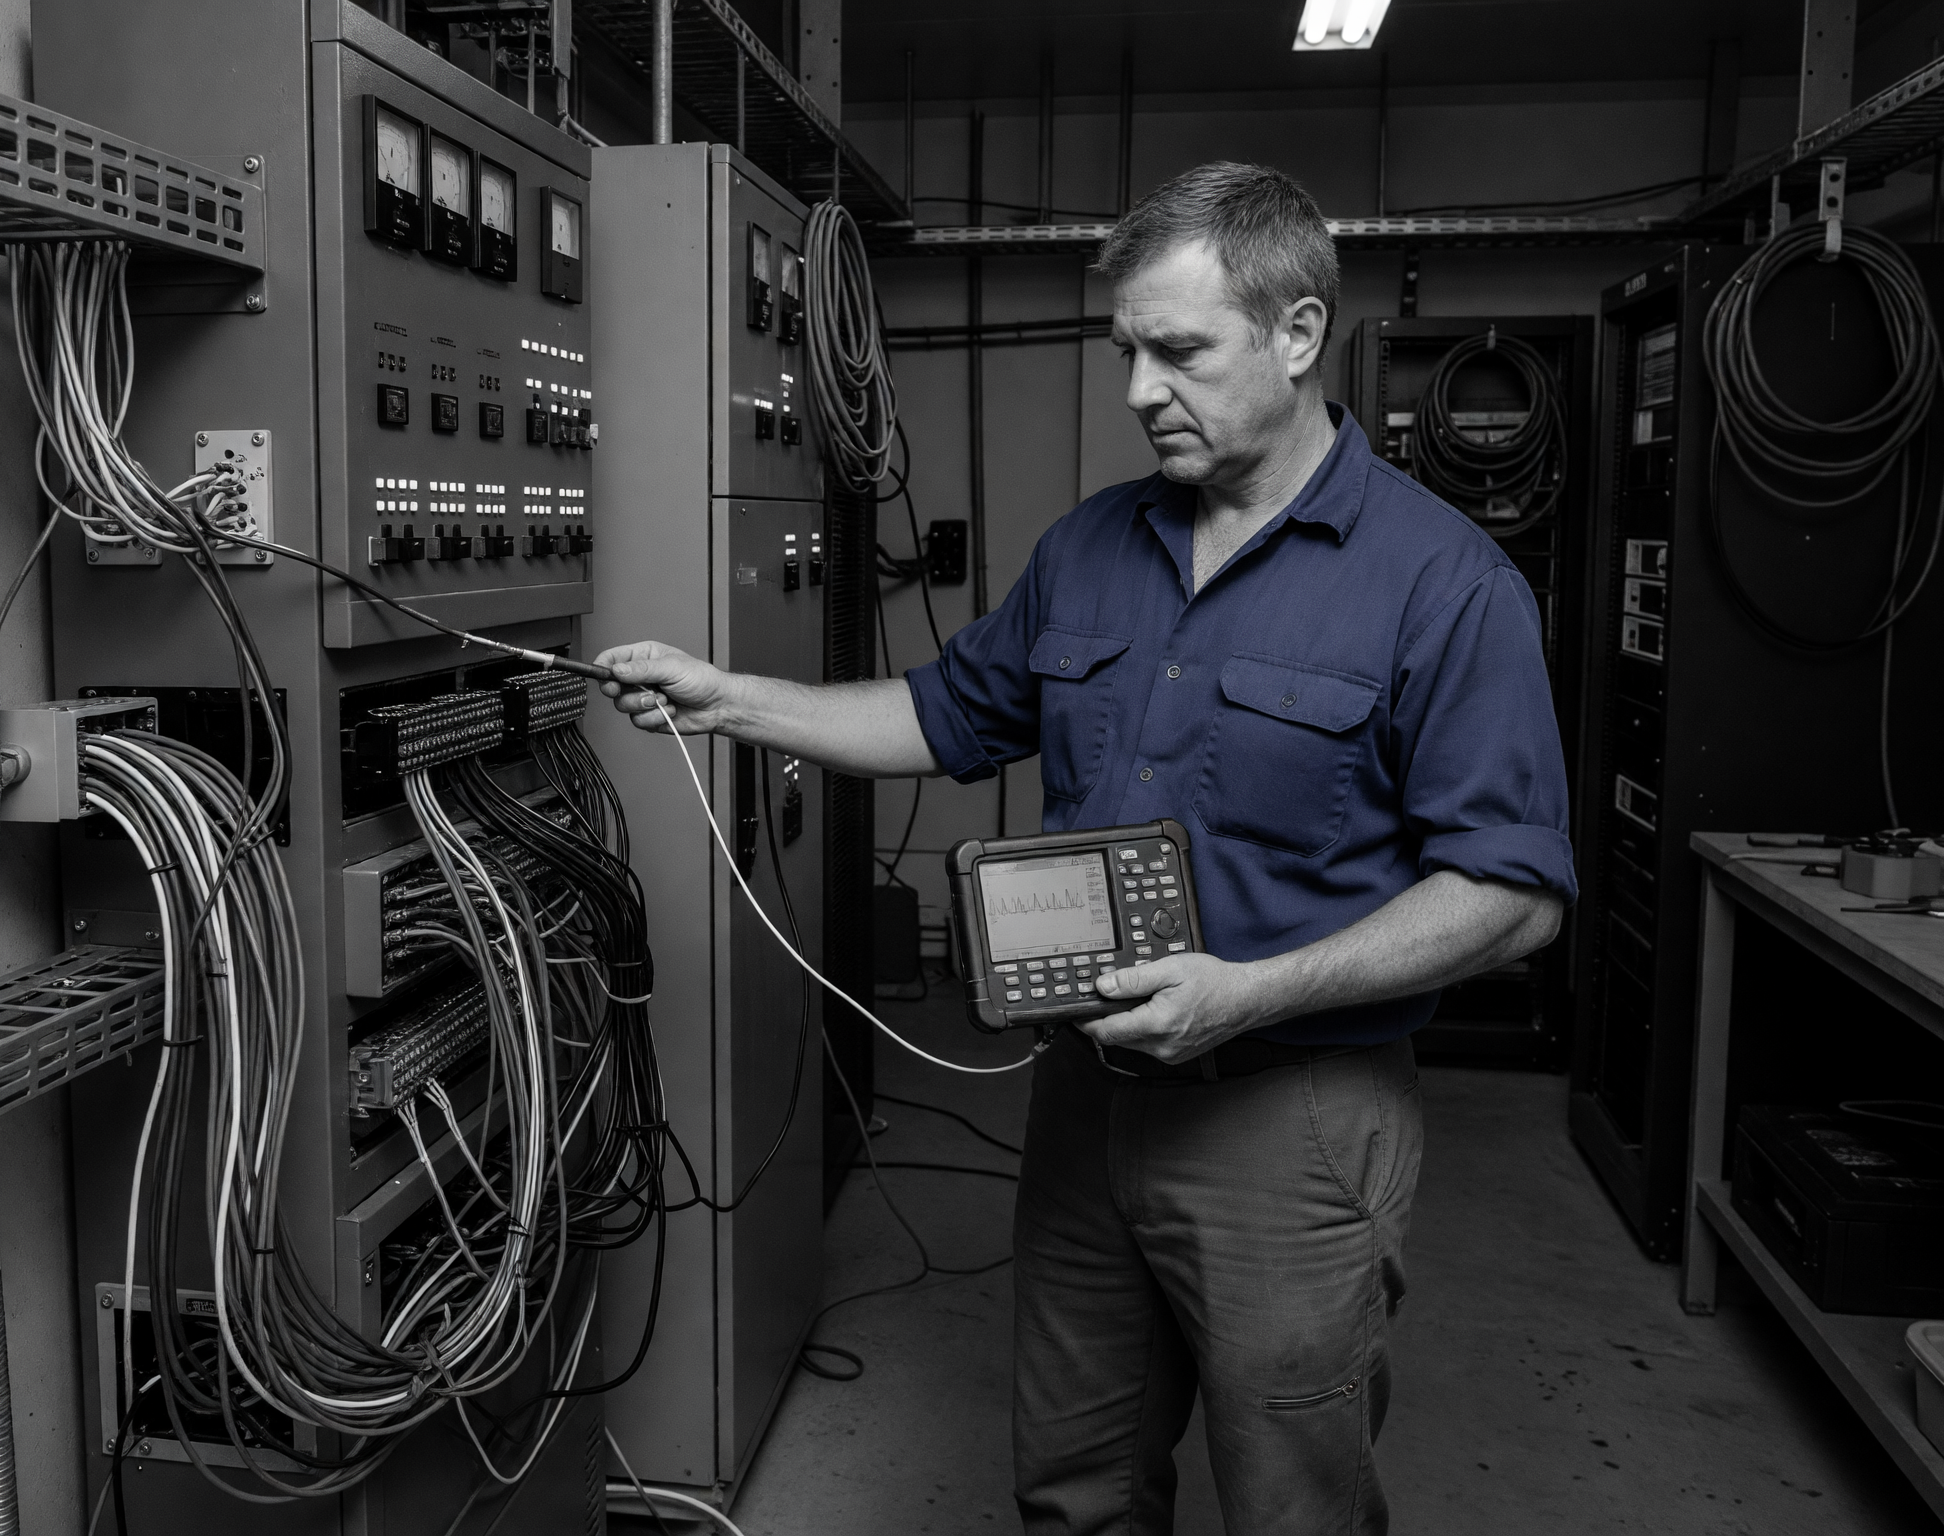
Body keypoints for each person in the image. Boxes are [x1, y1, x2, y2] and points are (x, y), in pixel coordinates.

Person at [593, 161, 1575, 1536]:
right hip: (1086, 1099)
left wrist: (1256, 989)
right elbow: (947, 713)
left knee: (1294, 1496)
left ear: (1297, 336)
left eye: (1179, 351)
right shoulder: (1092, 549)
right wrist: (733, 701)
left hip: (1292, 1113)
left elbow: (1514, 895)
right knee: (1076, 1480)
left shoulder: (1445, 583)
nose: (1138, 391)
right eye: (1125, 352)